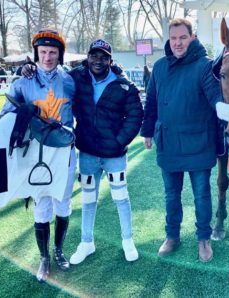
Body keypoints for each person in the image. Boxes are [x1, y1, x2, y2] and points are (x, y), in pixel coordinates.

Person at [140, 18, 223, 262]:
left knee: (201, 195)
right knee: (171, 195)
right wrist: (147, 131)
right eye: (174, 38)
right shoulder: (159, 67)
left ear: (192, 38)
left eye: (182, 38)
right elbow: (152, 102)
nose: (177, 43)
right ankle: (172, 236)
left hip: (199, 142)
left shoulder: (205, 66)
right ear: (169, 39)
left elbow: (216, 99)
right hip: (168, 142)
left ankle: (204, 239)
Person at [0, 29, 76, 282]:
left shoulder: (70, 81)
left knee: (63, 202)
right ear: (36, 54)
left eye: (53, 52)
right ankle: (44, 258)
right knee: (42, 204)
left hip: (64, 151)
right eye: (42, 52)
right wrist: (22, 115)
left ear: (59, 54)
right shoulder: (23, 82)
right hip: (37, 153)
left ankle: (59, 250)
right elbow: (5, 117)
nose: (47, 57)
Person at [67, 39, 143, 264]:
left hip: (114, 155)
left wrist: (118, 142)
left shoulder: (123, 85)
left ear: (110, 60)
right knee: (88, 199)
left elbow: (135, 116)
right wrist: (28, 68)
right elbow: (53, 79)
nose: (98, 61)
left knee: (121, 197)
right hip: (88, 153)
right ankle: (86, 242)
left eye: (103, 57)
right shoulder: (76, 78)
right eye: (94, 55)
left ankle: (127, 240)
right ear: (87, 57)